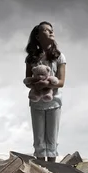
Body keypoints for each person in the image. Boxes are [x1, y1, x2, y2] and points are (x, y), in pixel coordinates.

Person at [23, 21, 66, 162]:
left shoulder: (59, 56)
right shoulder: (31, 58)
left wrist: (48, 84)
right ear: (38, 36)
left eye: (51, 29)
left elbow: (61, 82)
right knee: (39, 138)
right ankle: (41, 171)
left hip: (54, 101)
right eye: (46, 30)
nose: (51, 32)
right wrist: (36, 85)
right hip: (36, 102)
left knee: (52, 138)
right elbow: (27, 80)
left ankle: (52, 170)